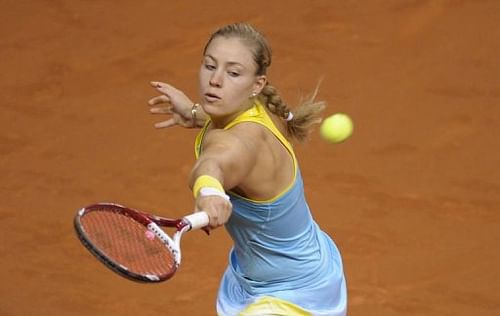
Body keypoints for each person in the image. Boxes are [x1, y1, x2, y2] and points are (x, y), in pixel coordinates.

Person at [148, 23, 347, 316]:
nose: (215, 81)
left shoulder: (239, 144)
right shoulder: (254, 112)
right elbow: (223, 127)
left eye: (233, 73)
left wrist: (209, 191)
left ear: (257, 84)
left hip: (294, 294)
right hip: (277, 274)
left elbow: (212, 164)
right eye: (209, 66)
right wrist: (193, 112)